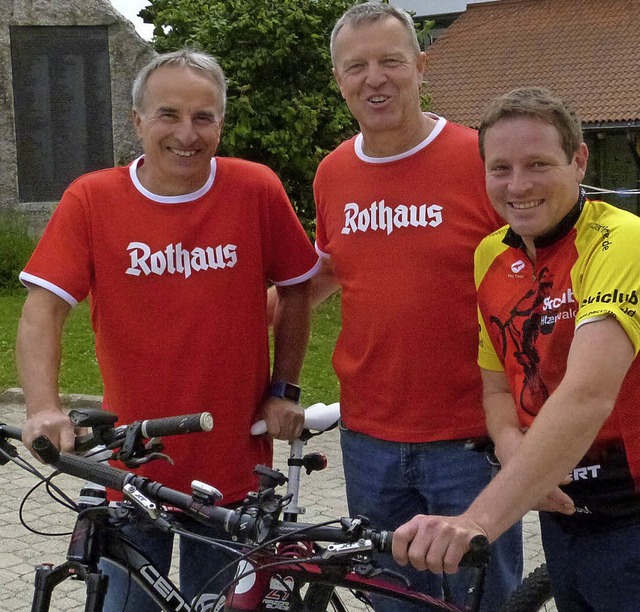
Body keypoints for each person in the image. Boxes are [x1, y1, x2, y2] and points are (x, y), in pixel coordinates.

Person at [16, 48, 320, 611]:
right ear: (137, 122)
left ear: (221, 123)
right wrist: (43, 407)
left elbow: (299, 288)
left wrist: (284, 388)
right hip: (130, 466)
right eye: (168, 114)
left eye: (204, 117)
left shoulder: (255, 189)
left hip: (233, 469)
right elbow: (42, 311)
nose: (187, 133)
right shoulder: (93, 198)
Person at [304, 3, 523, 610]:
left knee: (483, 599)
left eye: (391, 61)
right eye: (357, 66)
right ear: (339, 80)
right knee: (391, 598)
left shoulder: (481, 160)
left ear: (422, 66)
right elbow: (333, 267)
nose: (375, 78)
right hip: (369, 436)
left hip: (471, 437)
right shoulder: (333, 173)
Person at [392, 87, 640, 611]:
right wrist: (515, 452)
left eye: (538, 164)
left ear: (578, 161)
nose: (518, 185)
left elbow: (588, 393)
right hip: (563, 521)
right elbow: (500, 386)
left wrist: (478, 521)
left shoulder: (621, 240)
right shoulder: (490, 255)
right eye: (500, 168)